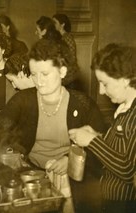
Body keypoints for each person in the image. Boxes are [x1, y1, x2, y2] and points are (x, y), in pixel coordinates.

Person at [0, 39, 107, 212]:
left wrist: (69, 160)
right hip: (33, 174)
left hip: (72, 179)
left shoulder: (82, 104)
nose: (39, 81)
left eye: (45, 74)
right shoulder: (24, 99)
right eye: (34, 74)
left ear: (62, 71)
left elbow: (102, 145)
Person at [69, 43, 136, 213]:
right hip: (111, 196)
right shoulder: (124, 107)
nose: (101, 91)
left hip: (125, 202)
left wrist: (93, 142)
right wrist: (98, 136)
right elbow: (122, 147)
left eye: (104, 84)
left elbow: (128, 169)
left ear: (125, 80)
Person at [36, 15, 79, 90]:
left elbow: (70, 58)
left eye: (55, 22)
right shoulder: (59, 37)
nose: (53, 25)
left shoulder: (67, 38)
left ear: (62, 25)